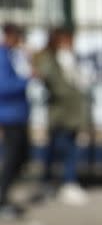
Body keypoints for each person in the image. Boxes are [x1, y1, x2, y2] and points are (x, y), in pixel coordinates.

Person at [34, 26, 91, 205]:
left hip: (73, 112)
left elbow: (80, 81)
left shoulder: (69, 58)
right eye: (68, 40)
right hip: (60, 113)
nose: (71, 44)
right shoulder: (50, 58)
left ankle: (66, 181)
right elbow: (52, 81)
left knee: (70, 148)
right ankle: (56, 182)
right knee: (59, 148)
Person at [0, 23, 31, 220]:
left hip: (18, 114)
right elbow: (4, 87)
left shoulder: (14, 55)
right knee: (13, 158)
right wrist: (27, 79)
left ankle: (4, 196)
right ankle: (1, 199)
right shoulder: (3, 56)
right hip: (9, 115)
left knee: (21, 157)